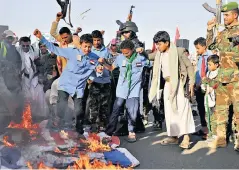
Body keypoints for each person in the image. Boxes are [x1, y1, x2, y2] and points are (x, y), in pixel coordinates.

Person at [34, 29, 103, 134]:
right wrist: (41, 38)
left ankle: (78, 130)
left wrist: (99, 70)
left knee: (79, 111)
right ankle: (58, 126)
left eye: (89, 47)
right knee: (61, 107)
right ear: (80, 45)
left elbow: (97, 73)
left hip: (79, 88)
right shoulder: (72, 52)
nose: (87, 49)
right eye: (85, 46)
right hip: (65, 85)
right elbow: (54, 48)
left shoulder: (95, 58)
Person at [148, 31, 195, 149]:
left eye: (159, 44)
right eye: (156, 44)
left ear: (167, 43)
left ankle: (186, 137)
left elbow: (189, 66)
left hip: (180, 84)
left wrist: (192, 83)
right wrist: (139, 51)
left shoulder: (179, 51)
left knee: (183, 110)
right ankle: (173, 136)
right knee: (169, 111)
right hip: (168, 85)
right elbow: (148, 56)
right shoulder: (159, 53)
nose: (157, 47)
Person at [99, 40, 150, 142]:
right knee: (116, 110)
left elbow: (149, 62)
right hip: (121, 89)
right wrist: (103, 63)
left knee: (132, 111)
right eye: (123, 52)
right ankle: (109, 132)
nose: (125, 55)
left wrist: (144, 52)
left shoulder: (140, 58)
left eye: (127, 53)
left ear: (132, 50)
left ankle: (131, 132)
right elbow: (111, 68)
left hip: (134, 90)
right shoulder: (119, 58)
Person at [206, 2, 239, 151]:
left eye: (227, 15)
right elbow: (210, 46)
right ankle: (220, 139)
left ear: (235, 15)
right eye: (224, 15)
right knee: (220, 112)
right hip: (222, 80)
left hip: (237, 80)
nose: (224, 18)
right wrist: (209, 30)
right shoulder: (223, 32)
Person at [87, 30, 111, 132]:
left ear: (101, 40)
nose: (97, 42)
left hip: (105, 81)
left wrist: (104, 61)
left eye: (98, 40)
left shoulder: (106, 51)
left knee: (104, 105)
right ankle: (93, 125)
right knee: (93, 105)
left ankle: (103, 125)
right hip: (94, 82)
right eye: (95, 40)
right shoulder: (89, 51)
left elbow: (111, 66)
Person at [193, 37, 210, 139]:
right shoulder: (200, 58)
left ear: (204, 46)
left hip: (206, 87)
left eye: (198, 48)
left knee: (207, 108)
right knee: (201, 108)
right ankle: (204, 128)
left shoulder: (210, 56)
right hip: (198, 87)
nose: (197, 50)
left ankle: (209, 131)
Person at [201, 55, 220, 141]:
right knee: (207, 116)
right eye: (207, 64)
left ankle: (216, 134)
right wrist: (204, 87)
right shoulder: (208, 73)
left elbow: (217, 84)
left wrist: (212, 88)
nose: (208, 66)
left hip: (215, 98)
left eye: (210, 64)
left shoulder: (219, 73)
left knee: (214, 117)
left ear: (216, 65)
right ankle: (211, 132)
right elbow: (204, 83)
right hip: (208, 98)